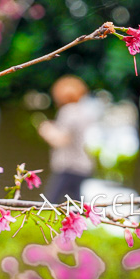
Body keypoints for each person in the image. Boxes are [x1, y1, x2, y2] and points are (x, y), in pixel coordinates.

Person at [38, 75, 99, 203]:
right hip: (83, 165)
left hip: (68, 165)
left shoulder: (68, 111)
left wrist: (46, 129)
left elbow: (62, 140)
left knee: (49, 202)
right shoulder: (84, 112)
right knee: (75, 203)